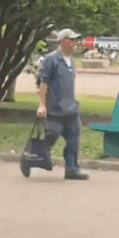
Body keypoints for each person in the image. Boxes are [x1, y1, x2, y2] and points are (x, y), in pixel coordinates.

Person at [37, 29, 89, 180]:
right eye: (72, 39)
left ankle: (72, 169)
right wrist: (42, 105)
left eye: (75, 40)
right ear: (63, 41)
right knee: (50, 137)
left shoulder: (71, 60)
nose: (75, 43)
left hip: (70, 109)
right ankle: (32, 158)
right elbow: (43, 83)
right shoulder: (51, 59)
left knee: (74, 139)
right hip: (54, 109)